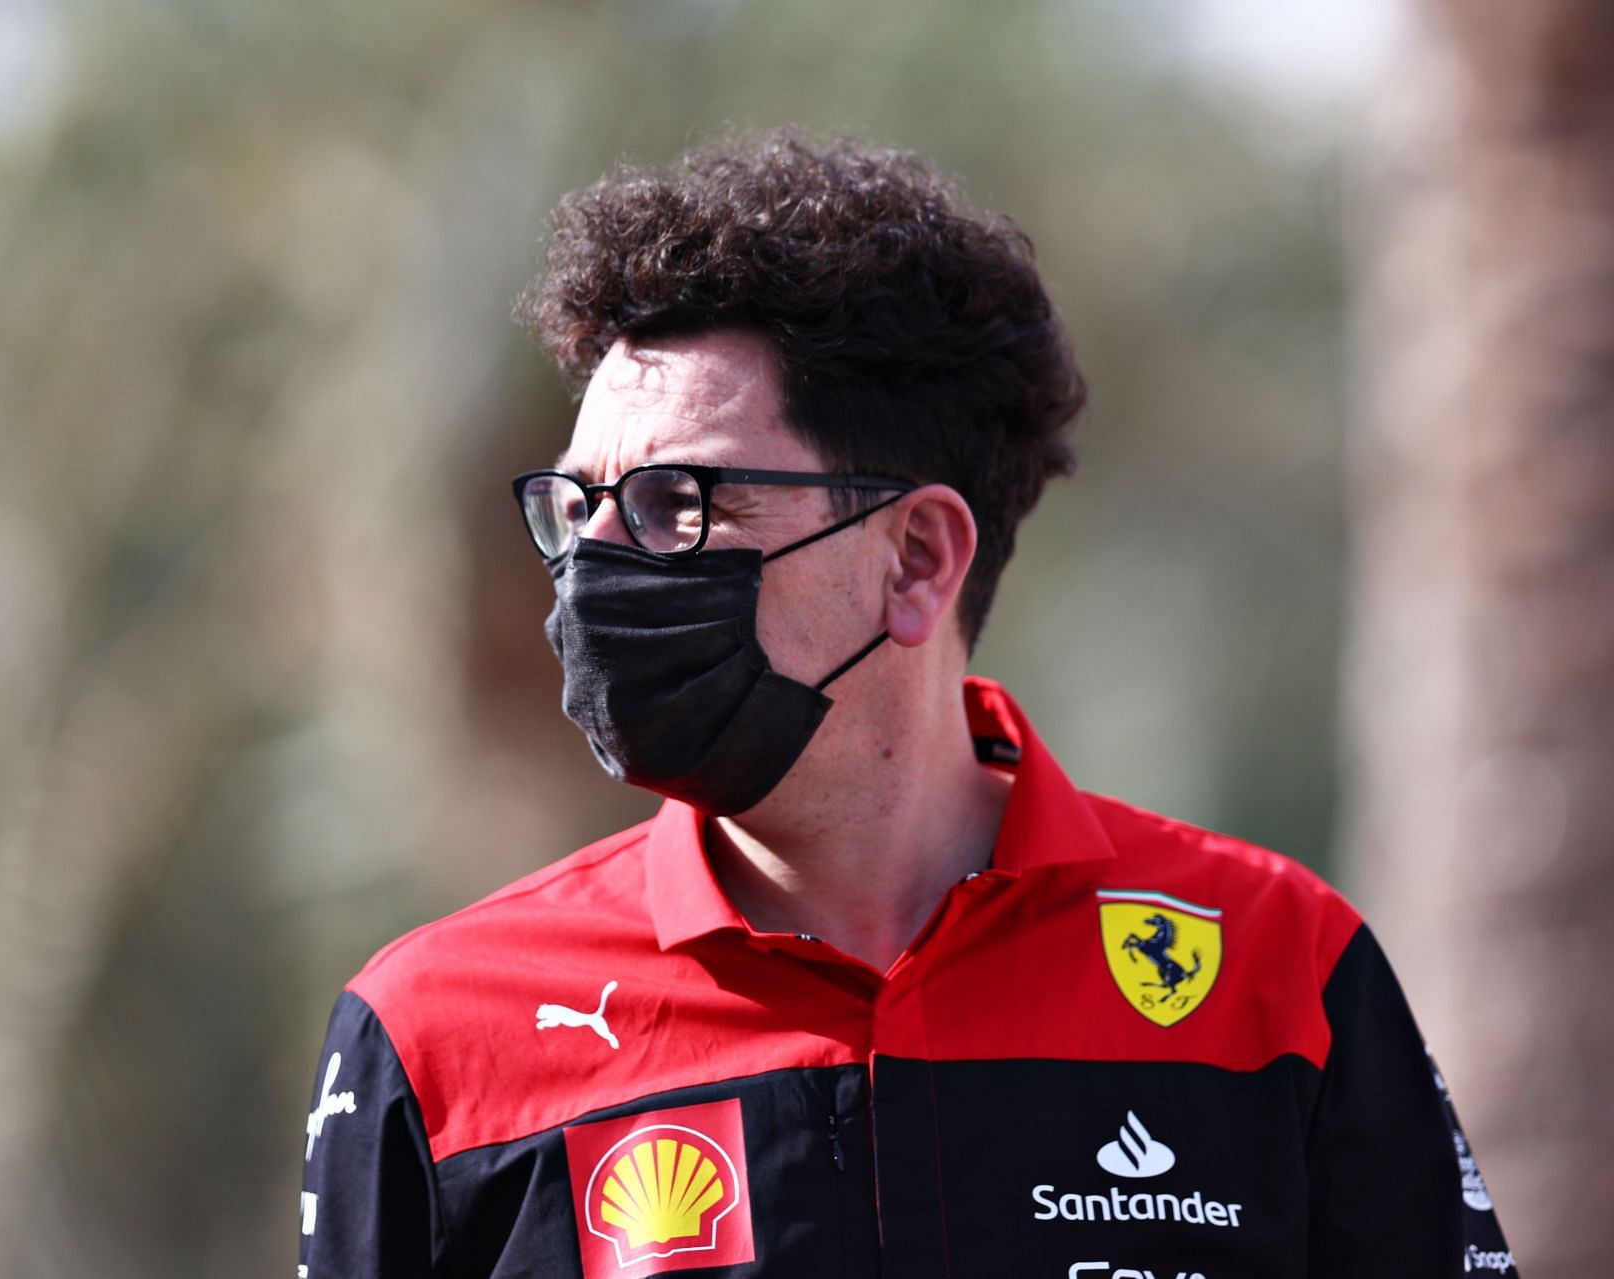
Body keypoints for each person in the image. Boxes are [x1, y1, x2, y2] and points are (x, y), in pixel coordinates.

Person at [296, 131, 1517, 1278]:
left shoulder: (1280, 971)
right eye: (578, 508)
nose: (599, 564)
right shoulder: (432, 1036)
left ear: (919, 560)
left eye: (679, 501)